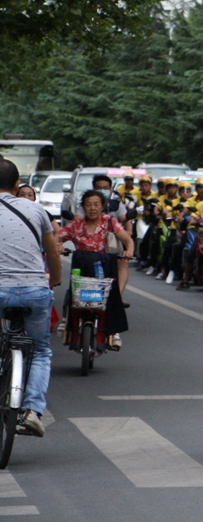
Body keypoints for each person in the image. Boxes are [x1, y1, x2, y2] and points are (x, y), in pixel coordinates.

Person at [0, 160, 61, 437]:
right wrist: (55, 281)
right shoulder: (36, 210)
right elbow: (53, 254)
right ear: (17, 185)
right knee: (40, 352)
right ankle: (33, 411)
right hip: (36, 290)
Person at [58, 189, 132, 351]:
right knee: (73, 293)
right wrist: (58, 245)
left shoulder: (109, 221)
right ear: (83, 207)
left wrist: (129, 251)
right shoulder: (75, 225)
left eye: (96, 204)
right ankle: (66, 318)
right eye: (88, 204)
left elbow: (127, 239)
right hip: (81, 268)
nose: (92, 208)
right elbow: (57, 237)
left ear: (103, 206)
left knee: (111, 295)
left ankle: (114, 332)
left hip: (103, 268)